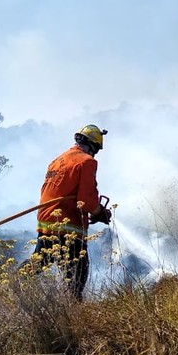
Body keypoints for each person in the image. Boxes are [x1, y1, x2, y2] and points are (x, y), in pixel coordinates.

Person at [29, 124, 112, 299]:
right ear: (94, 146)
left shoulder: (58, 160)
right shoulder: (87, 161)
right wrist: (100, 213)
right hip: (67, 225)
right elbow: (87, 199)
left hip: (46, 222)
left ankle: (12, 287)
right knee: (77, 273)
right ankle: (73, 310)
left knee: (39, 262)